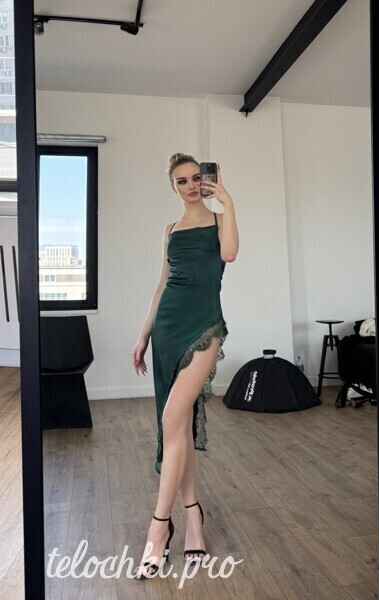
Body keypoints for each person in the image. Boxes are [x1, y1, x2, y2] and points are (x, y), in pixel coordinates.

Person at [131, 153, 239, 579]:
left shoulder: (220, 220)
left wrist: (227, 201)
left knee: (172, 417)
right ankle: (193, 516)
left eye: (197, 178)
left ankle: (159, 528)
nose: (192, 185)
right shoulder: (170, 230)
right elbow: (162, 285)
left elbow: (230, 254)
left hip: (205, 325)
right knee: (180, 425)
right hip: (167, 329)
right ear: (172, 187)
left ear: (207, 180)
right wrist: (143, 335)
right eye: (182, 180)